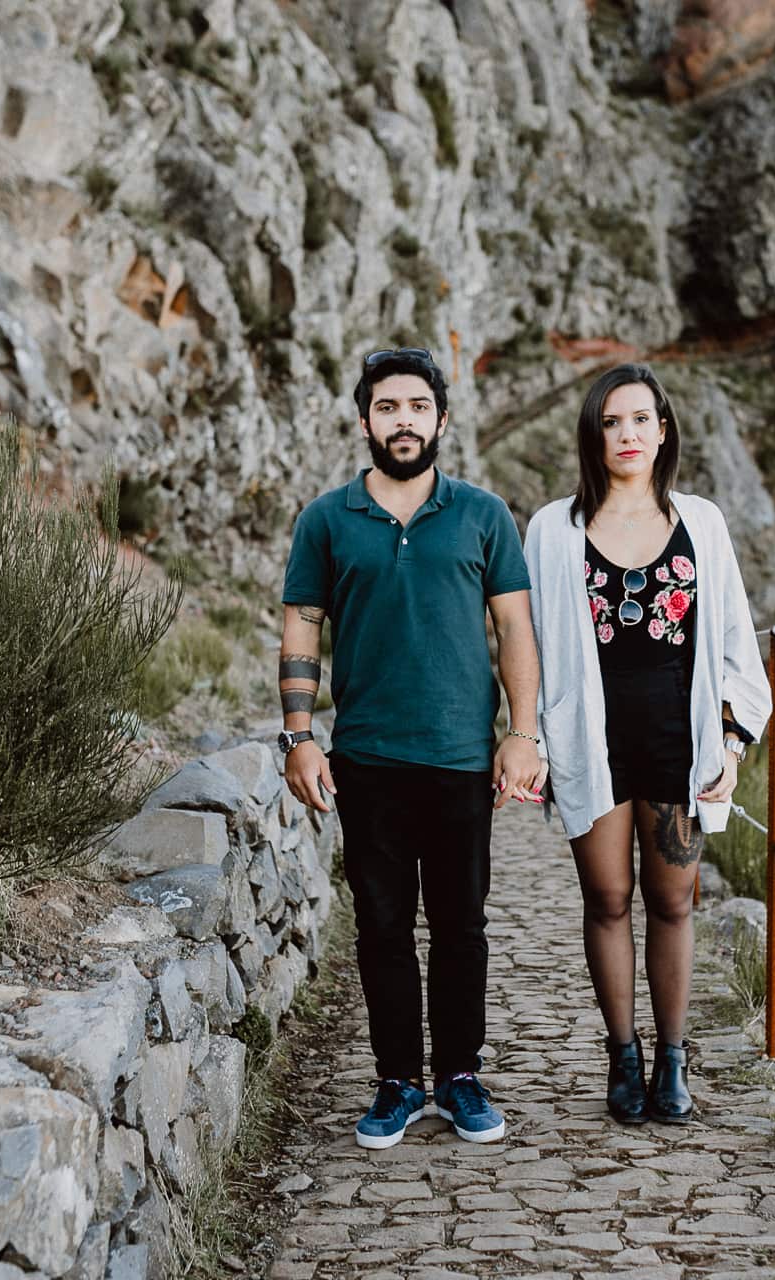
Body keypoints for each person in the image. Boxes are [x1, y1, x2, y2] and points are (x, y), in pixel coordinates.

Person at [278, 346, 549, 1150]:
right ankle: (396, 1082)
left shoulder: (483, 515)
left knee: (462, 926)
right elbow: (302, 630)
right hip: (366, 756)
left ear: (440, 420)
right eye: (387, 407)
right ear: (366, 419)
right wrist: (300, 736)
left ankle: (460, 1077)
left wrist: (522, 734)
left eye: (417, 408)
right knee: (383, 928)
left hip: (462, 756)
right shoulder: (327, 520)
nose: (403, 421)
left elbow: (515, 630)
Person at [523, 363, 771, 1124]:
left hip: (680, 740)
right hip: (591, 743)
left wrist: (729, 745)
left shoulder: (702, 523)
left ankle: (673, 1060)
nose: (627, 434)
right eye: (611, 422)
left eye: (640, 420)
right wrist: (526, 736)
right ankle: (621, 1057)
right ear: (593, 436)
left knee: (672, 902)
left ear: (663, 430)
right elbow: (526, 645)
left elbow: (734, 641)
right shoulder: (552, 529)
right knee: (606, 899)